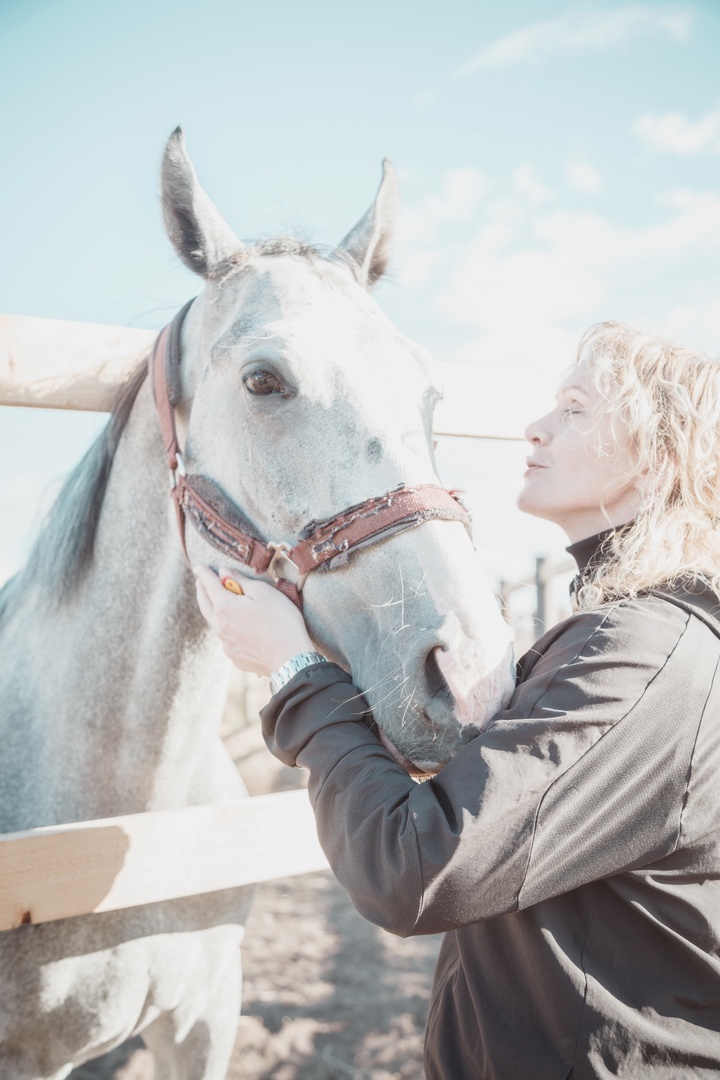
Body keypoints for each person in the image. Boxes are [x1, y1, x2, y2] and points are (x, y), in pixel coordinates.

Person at [195, 321, 720, 1079]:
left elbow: (415, 867)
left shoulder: (643, 656)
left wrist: (292, 670)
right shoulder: (638, 639)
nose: (535, 428)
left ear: (658, 454)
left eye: (574, 408)